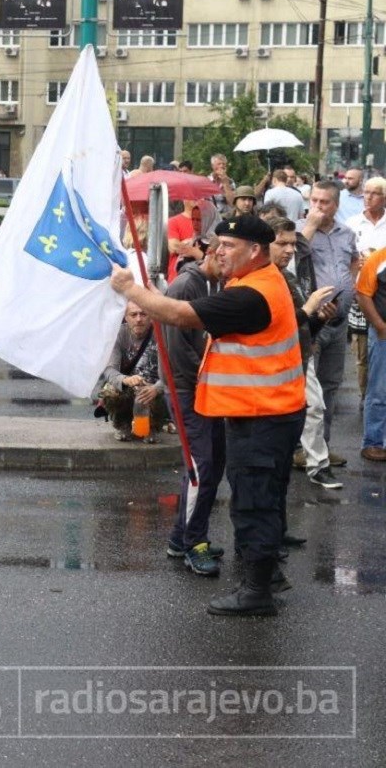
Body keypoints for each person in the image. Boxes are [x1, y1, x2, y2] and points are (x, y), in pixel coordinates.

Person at [111, 214, 305, 617]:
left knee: (253, 504)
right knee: (261, 498)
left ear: (255, 251)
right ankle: (266, 578)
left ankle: (256, 592)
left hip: (261, 417)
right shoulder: (257, 281)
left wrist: (131, 289)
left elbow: (180, 314)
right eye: (216, 243)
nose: (217, 251)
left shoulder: (252, 294)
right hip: (265, 413)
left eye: (228, 245)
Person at [162, 233, 226, 576]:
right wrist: (201, 383)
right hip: (189, 391)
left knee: (213, 464)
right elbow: (177, 352)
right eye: (225, 253)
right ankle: (193, 544)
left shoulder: (218, 284)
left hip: (210, 390)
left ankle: (181, 536)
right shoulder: (186, 286)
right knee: (200, 468)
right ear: (213, 254)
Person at [267, 219, 339, 498]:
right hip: (276, 361)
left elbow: (301, 324)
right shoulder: (262, 279)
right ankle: (310, 464)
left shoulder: (289, 277)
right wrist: (308, 312)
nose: (289, 251)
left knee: (314, 407)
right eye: (281, 243)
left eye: (293, 245)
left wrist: (319, 317)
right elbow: (275, 325)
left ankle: (316, 464)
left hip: (299, 354)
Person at [297, 180, 357, 461]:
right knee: (308, 391)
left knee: (330, 385)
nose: (318, 207)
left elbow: (352, 261)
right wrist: (309, 225)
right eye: (314, 201)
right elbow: (292, 261)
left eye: (324, 202)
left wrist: (351, 285)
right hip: (313, 323)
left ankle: (323, 447)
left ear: (336, 205)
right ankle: (301, 449)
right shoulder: (300, 231)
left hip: (339, 322)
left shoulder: (346, 233)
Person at [93, 301, 168, 442]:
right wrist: (125, 380)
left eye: (143, 314)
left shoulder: (162, 335)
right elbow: (109, 370)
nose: (139, 319)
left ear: (151, 316)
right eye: (133, 315)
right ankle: (123, 425)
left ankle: (153, 427)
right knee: (110, 390)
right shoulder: (119, 334)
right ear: (126, 317)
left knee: (162, 392)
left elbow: (172, 373)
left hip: (153, 389)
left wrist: (156, 388)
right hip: (128, 387)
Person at [344, 176, 386, 400]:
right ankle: (366, 394)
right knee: (362, 352)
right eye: (366, 193)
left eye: (374, 193)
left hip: (383, 295)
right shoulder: (352, 223)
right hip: (360, 294)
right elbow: (344, 258)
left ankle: (379, 394)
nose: (368, 197)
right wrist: (356, 263)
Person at [355, 236, 386, 462]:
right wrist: (379, 325)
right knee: (379, 390)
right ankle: (373, 442)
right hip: (384, 333)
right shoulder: (378, 258)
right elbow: (363, 294)